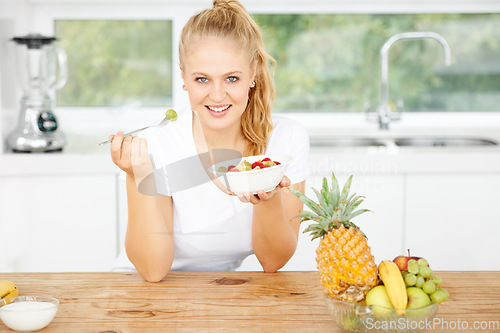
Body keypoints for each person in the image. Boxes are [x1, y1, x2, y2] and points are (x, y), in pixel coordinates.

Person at [109, 0, 309, 282]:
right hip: (145, 289)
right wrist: (136, 174)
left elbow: (273, 261)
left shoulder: (286, 140)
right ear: (184, 78)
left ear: (252, 74)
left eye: (231, 78)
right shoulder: (156, 144)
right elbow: (153, 271)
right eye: (202, 79)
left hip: (218, 290)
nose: (217, 96)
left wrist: (267, 199)